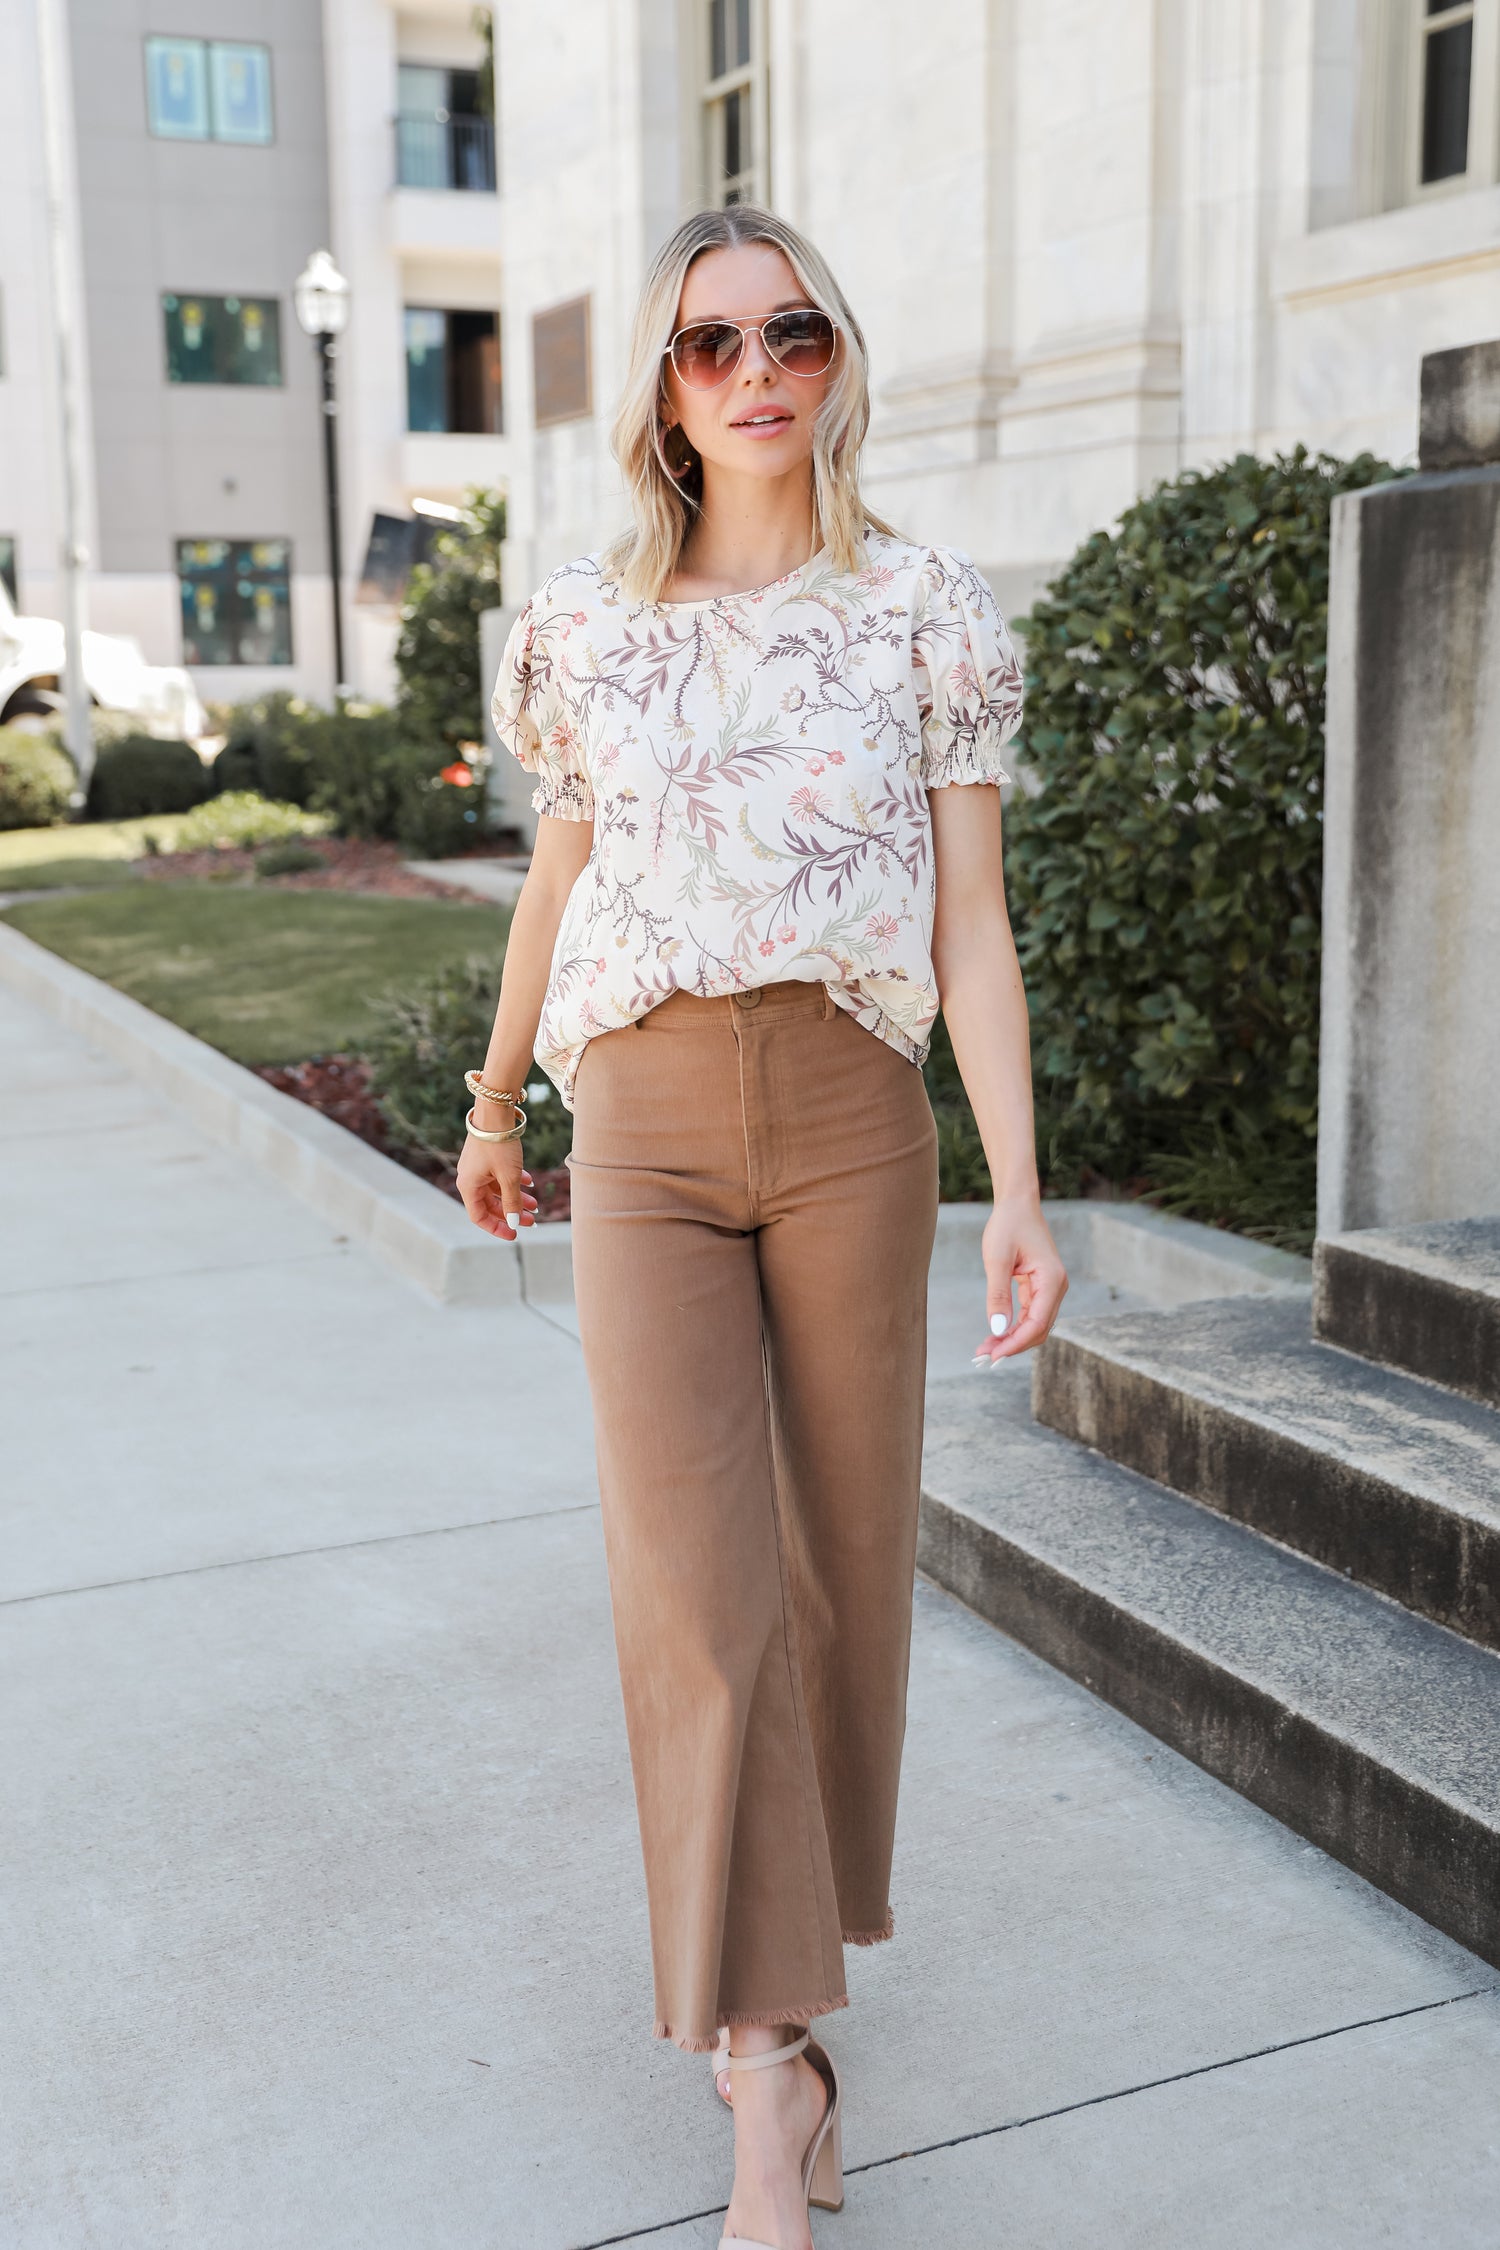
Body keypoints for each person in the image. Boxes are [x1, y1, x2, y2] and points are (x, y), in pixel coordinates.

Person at [459, 204, 1068, 2250]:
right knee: (692, 1602)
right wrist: (489, 1098)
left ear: (837, 357)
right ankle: (758, 2086)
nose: (754, 373)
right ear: (662, 384)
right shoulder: (581, 627)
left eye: (790, 332)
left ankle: (794, 2033)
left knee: (828, 1589)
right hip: (634, 1128)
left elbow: (972, 926)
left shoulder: (926, 615)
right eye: (710, 343)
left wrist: (1019, 1187)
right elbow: (556, 885)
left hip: (849, 1121)